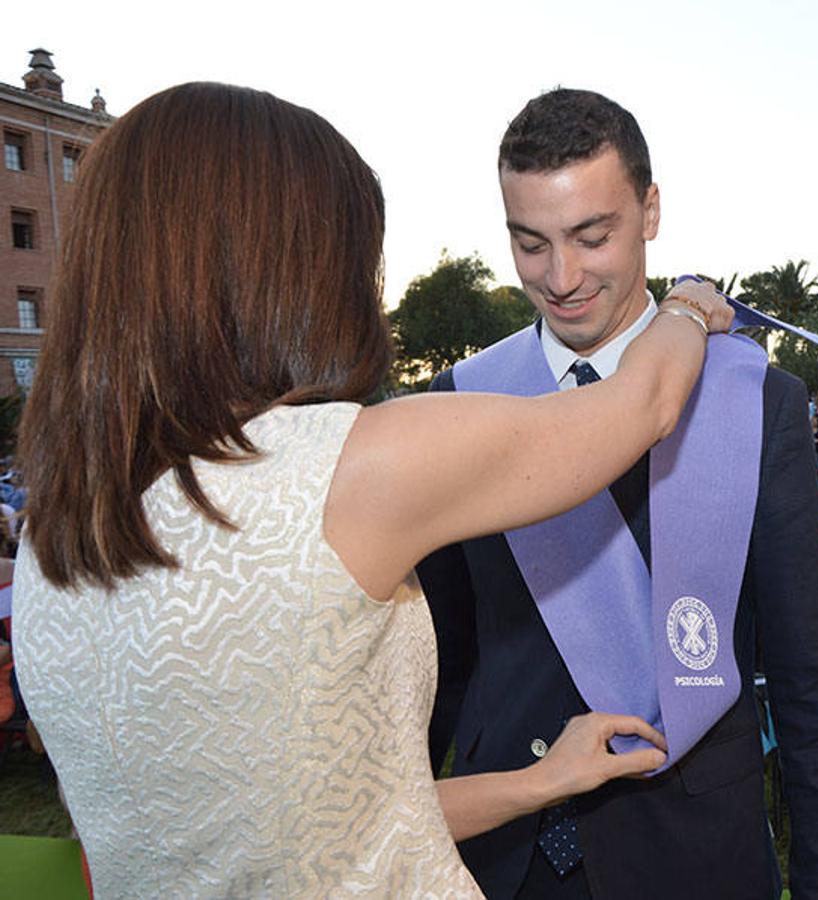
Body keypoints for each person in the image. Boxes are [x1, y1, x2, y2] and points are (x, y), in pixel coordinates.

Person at [10, 83, 736, 898]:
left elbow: (317, 817)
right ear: (290, 266)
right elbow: (640, 405)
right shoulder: (346, 467)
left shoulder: (54, 539)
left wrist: (537, 782)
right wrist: (685, 307)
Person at [415, 88, 818, 899]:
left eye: (592, 237)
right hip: (500, 863)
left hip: (696, 855)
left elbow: (808, 682)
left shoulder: (755, 403)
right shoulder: (456, 402)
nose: (561, 277)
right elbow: (437, 672)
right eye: (530, 243)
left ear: (649, 210)